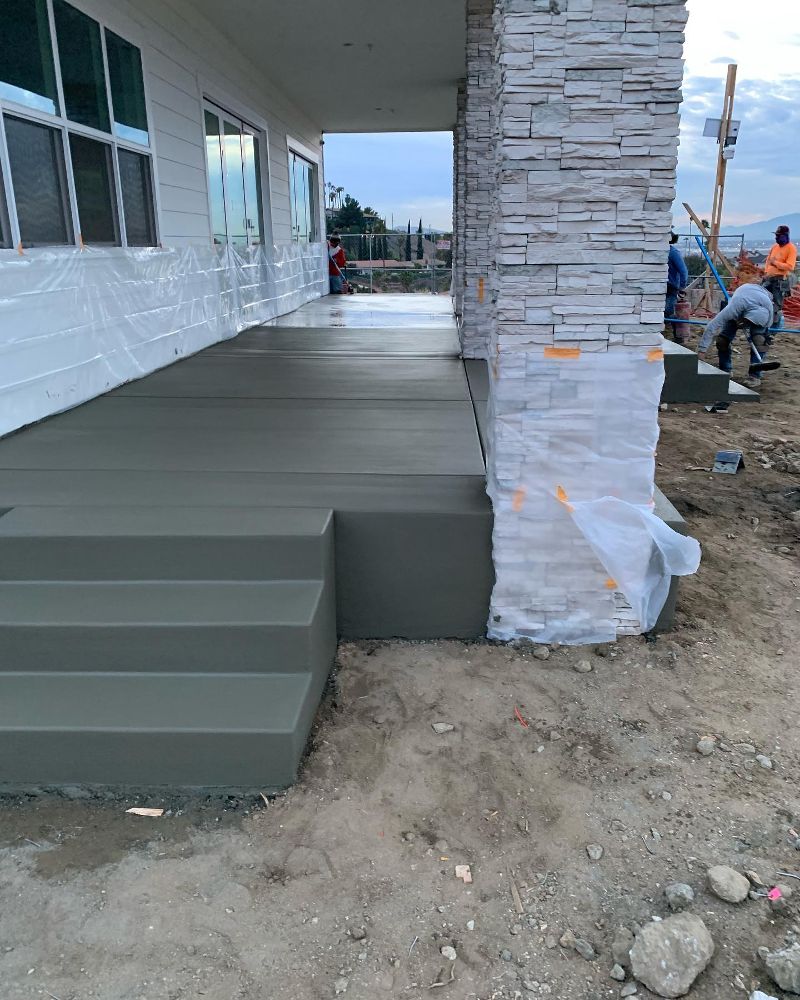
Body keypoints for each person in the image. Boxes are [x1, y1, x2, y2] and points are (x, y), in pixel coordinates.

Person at [697, 278, 774, 380]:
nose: (747, 325)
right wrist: (702, 351)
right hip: (742, 296)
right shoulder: (734, 308)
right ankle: (725, 370)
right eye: (749, 322)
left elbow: (768, 328)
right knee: (722, 341)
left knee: (760, 340)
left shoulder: (768, 312)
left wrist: (766, 337)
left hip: (762, 298)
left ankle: (754, 376)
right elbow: (712, 326)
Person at [762, 224, 797, 327]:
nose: (776, 238)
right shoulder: (774, 247)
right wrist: (766, 272)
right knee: (762, 300)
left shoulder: (791, 248)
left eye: (779, 236)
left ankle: (772, 329)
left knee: (776, 306)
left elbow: (790, 266)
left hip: (780, 280)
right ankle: (763, 324)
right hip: (769, 278)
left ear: (785, 236)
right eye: (776, 235)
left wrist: (776, 263)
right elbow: (768, 261)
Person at [665, 232, 689, 343]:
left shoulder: (672, 253)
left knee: (668, 312)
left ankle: (678, 337)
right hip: (663, 285)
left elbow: (683, 271)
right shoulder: (670, 252)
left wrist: (681, 287)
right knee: (666, 312)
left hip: (670, 286)